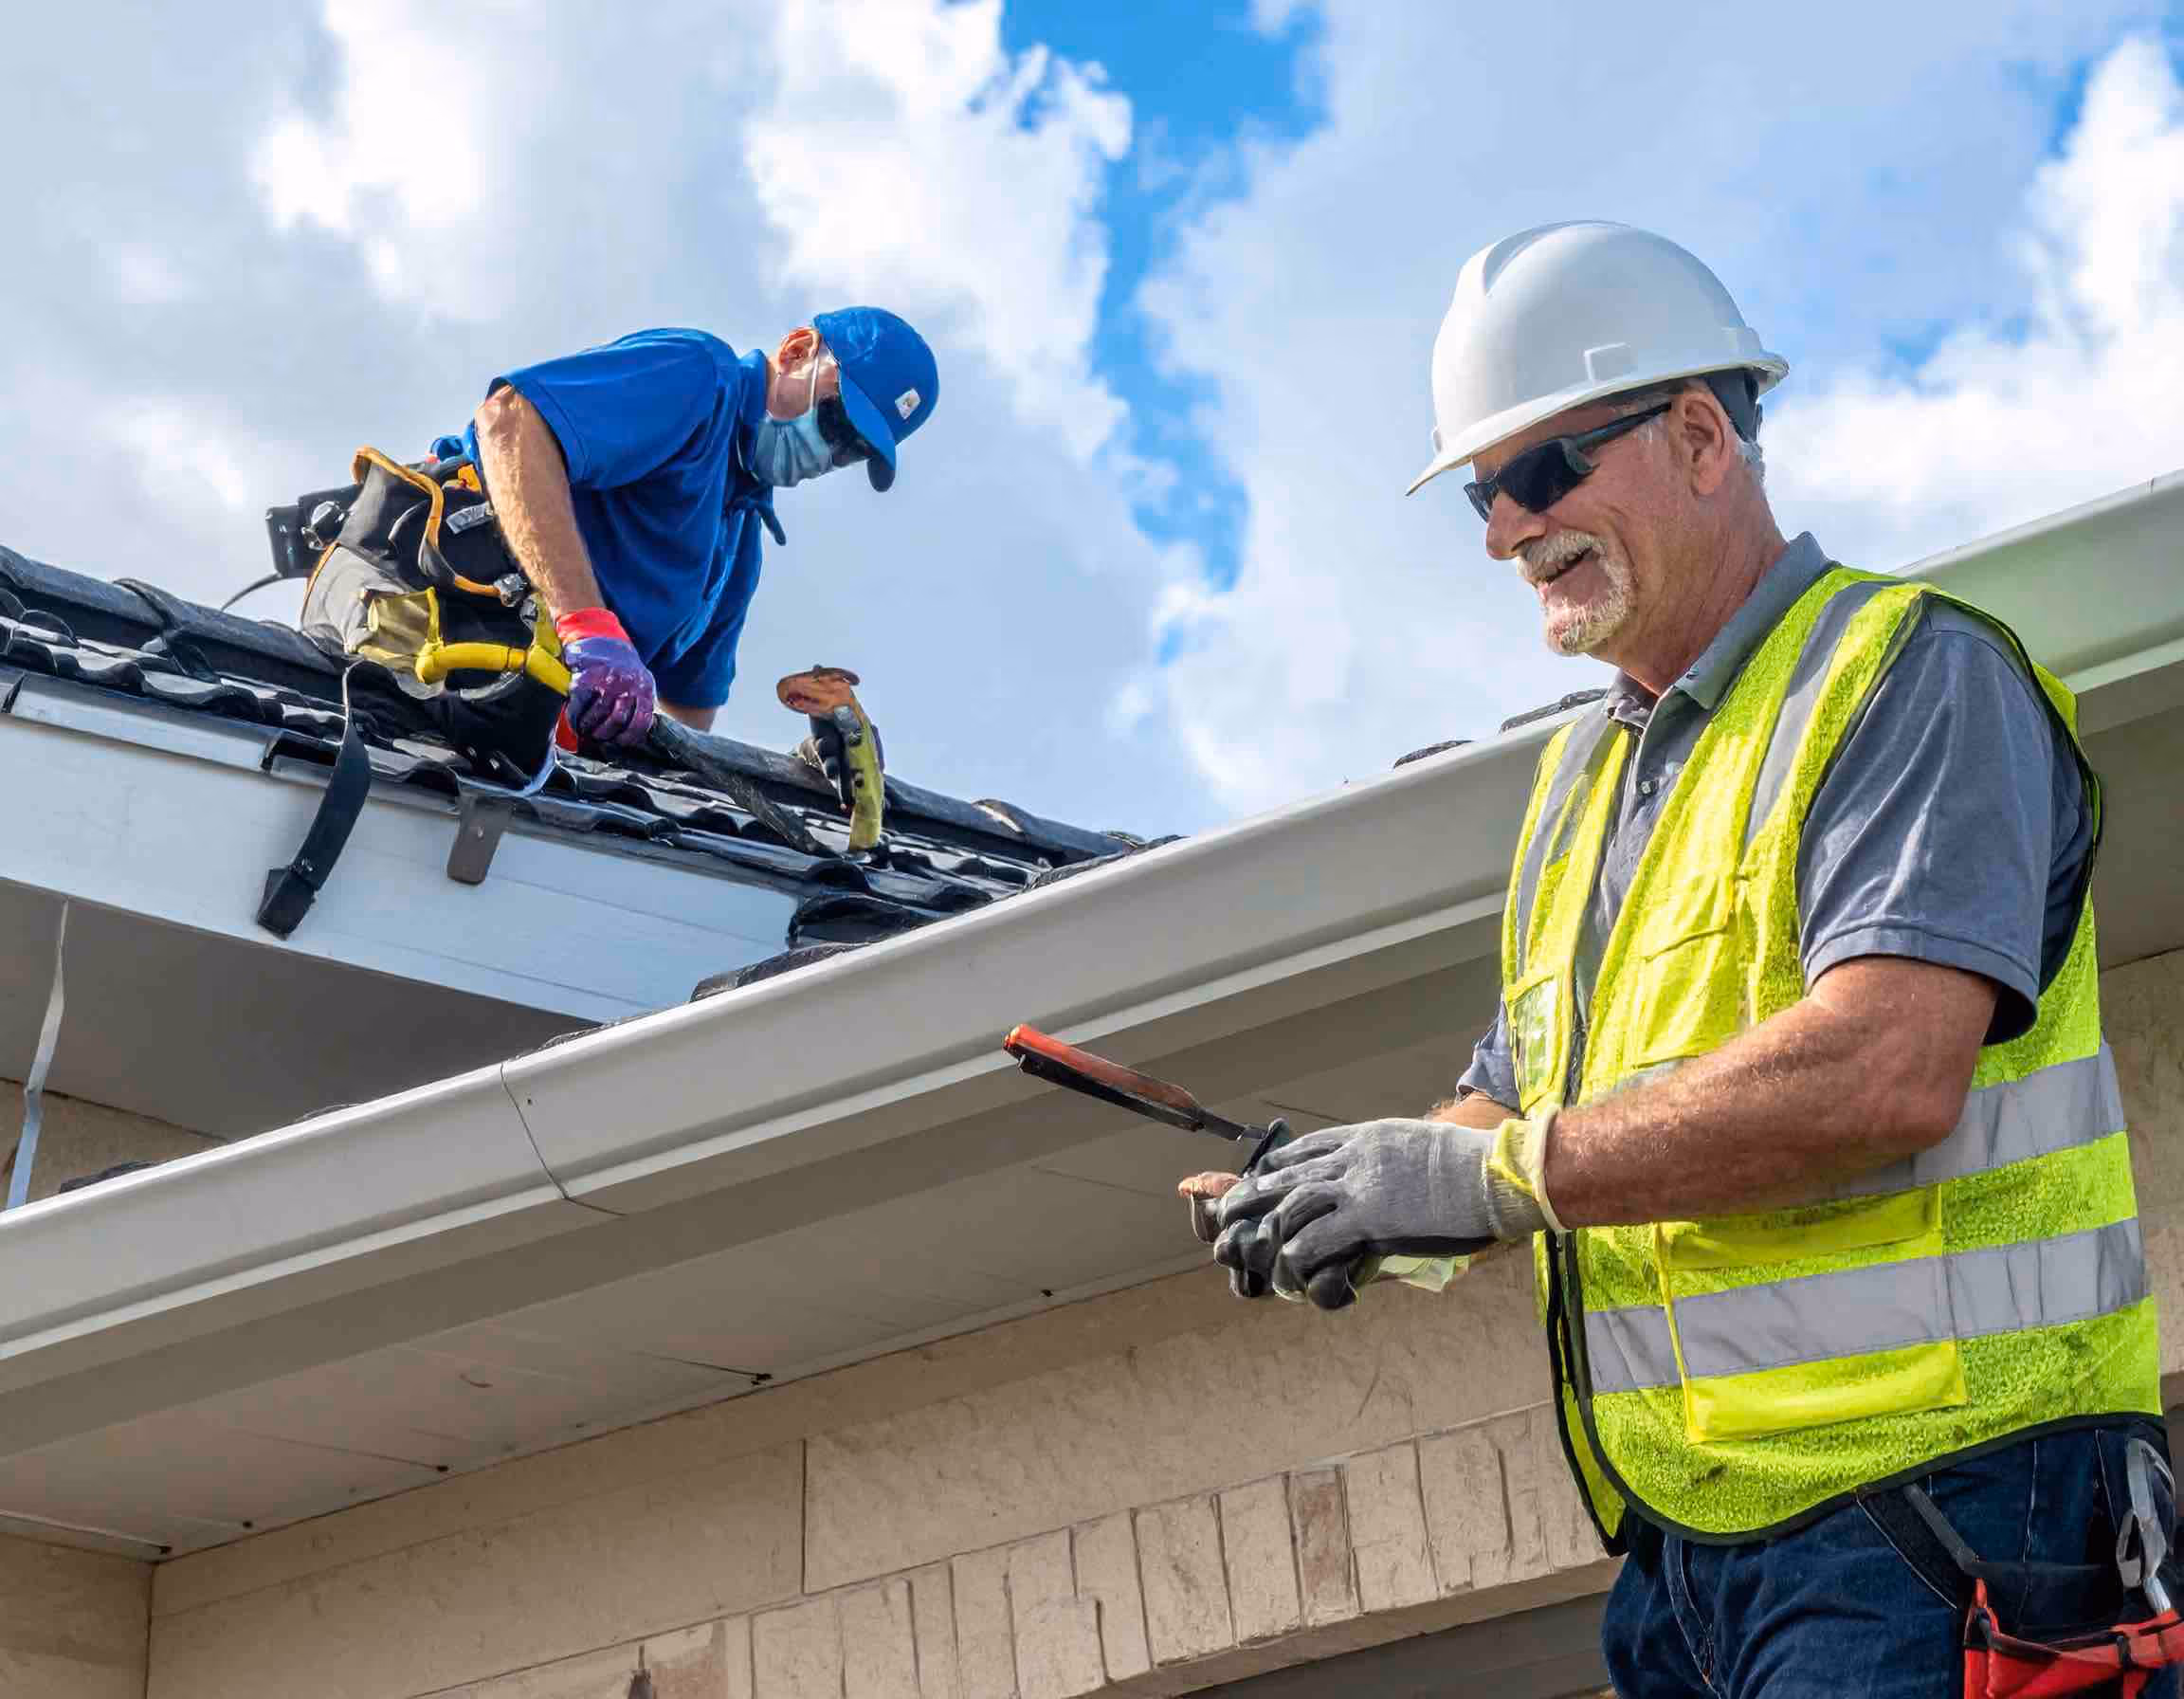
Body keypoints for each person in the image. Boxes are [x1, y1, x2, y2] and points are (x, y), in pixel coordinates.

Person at [1188, 221, 2170, 1696]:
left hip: (1955, 1512)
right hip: (1693, 1559)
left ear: (1702, 434)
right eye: (1480, 493)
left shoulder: (1906, 673)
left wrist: (1481, 1180)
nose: (1509, 528)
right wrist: (1359, 1190)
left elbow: (1888, 1067)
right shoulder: (1584, 785)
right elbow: (1516, 1102)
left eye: (1543, 473)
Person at [429, 308, 937, 747]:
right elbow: (510, 420)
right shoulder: (700, 378)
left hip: (503, 717)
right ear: (798, 350)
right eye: (836, 419)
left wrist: (806, 777)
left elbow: (686, 725)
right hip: (423, 619)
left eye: (851, 449)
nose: (830, 452)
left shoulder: (738, 538)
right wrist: (586, 623)